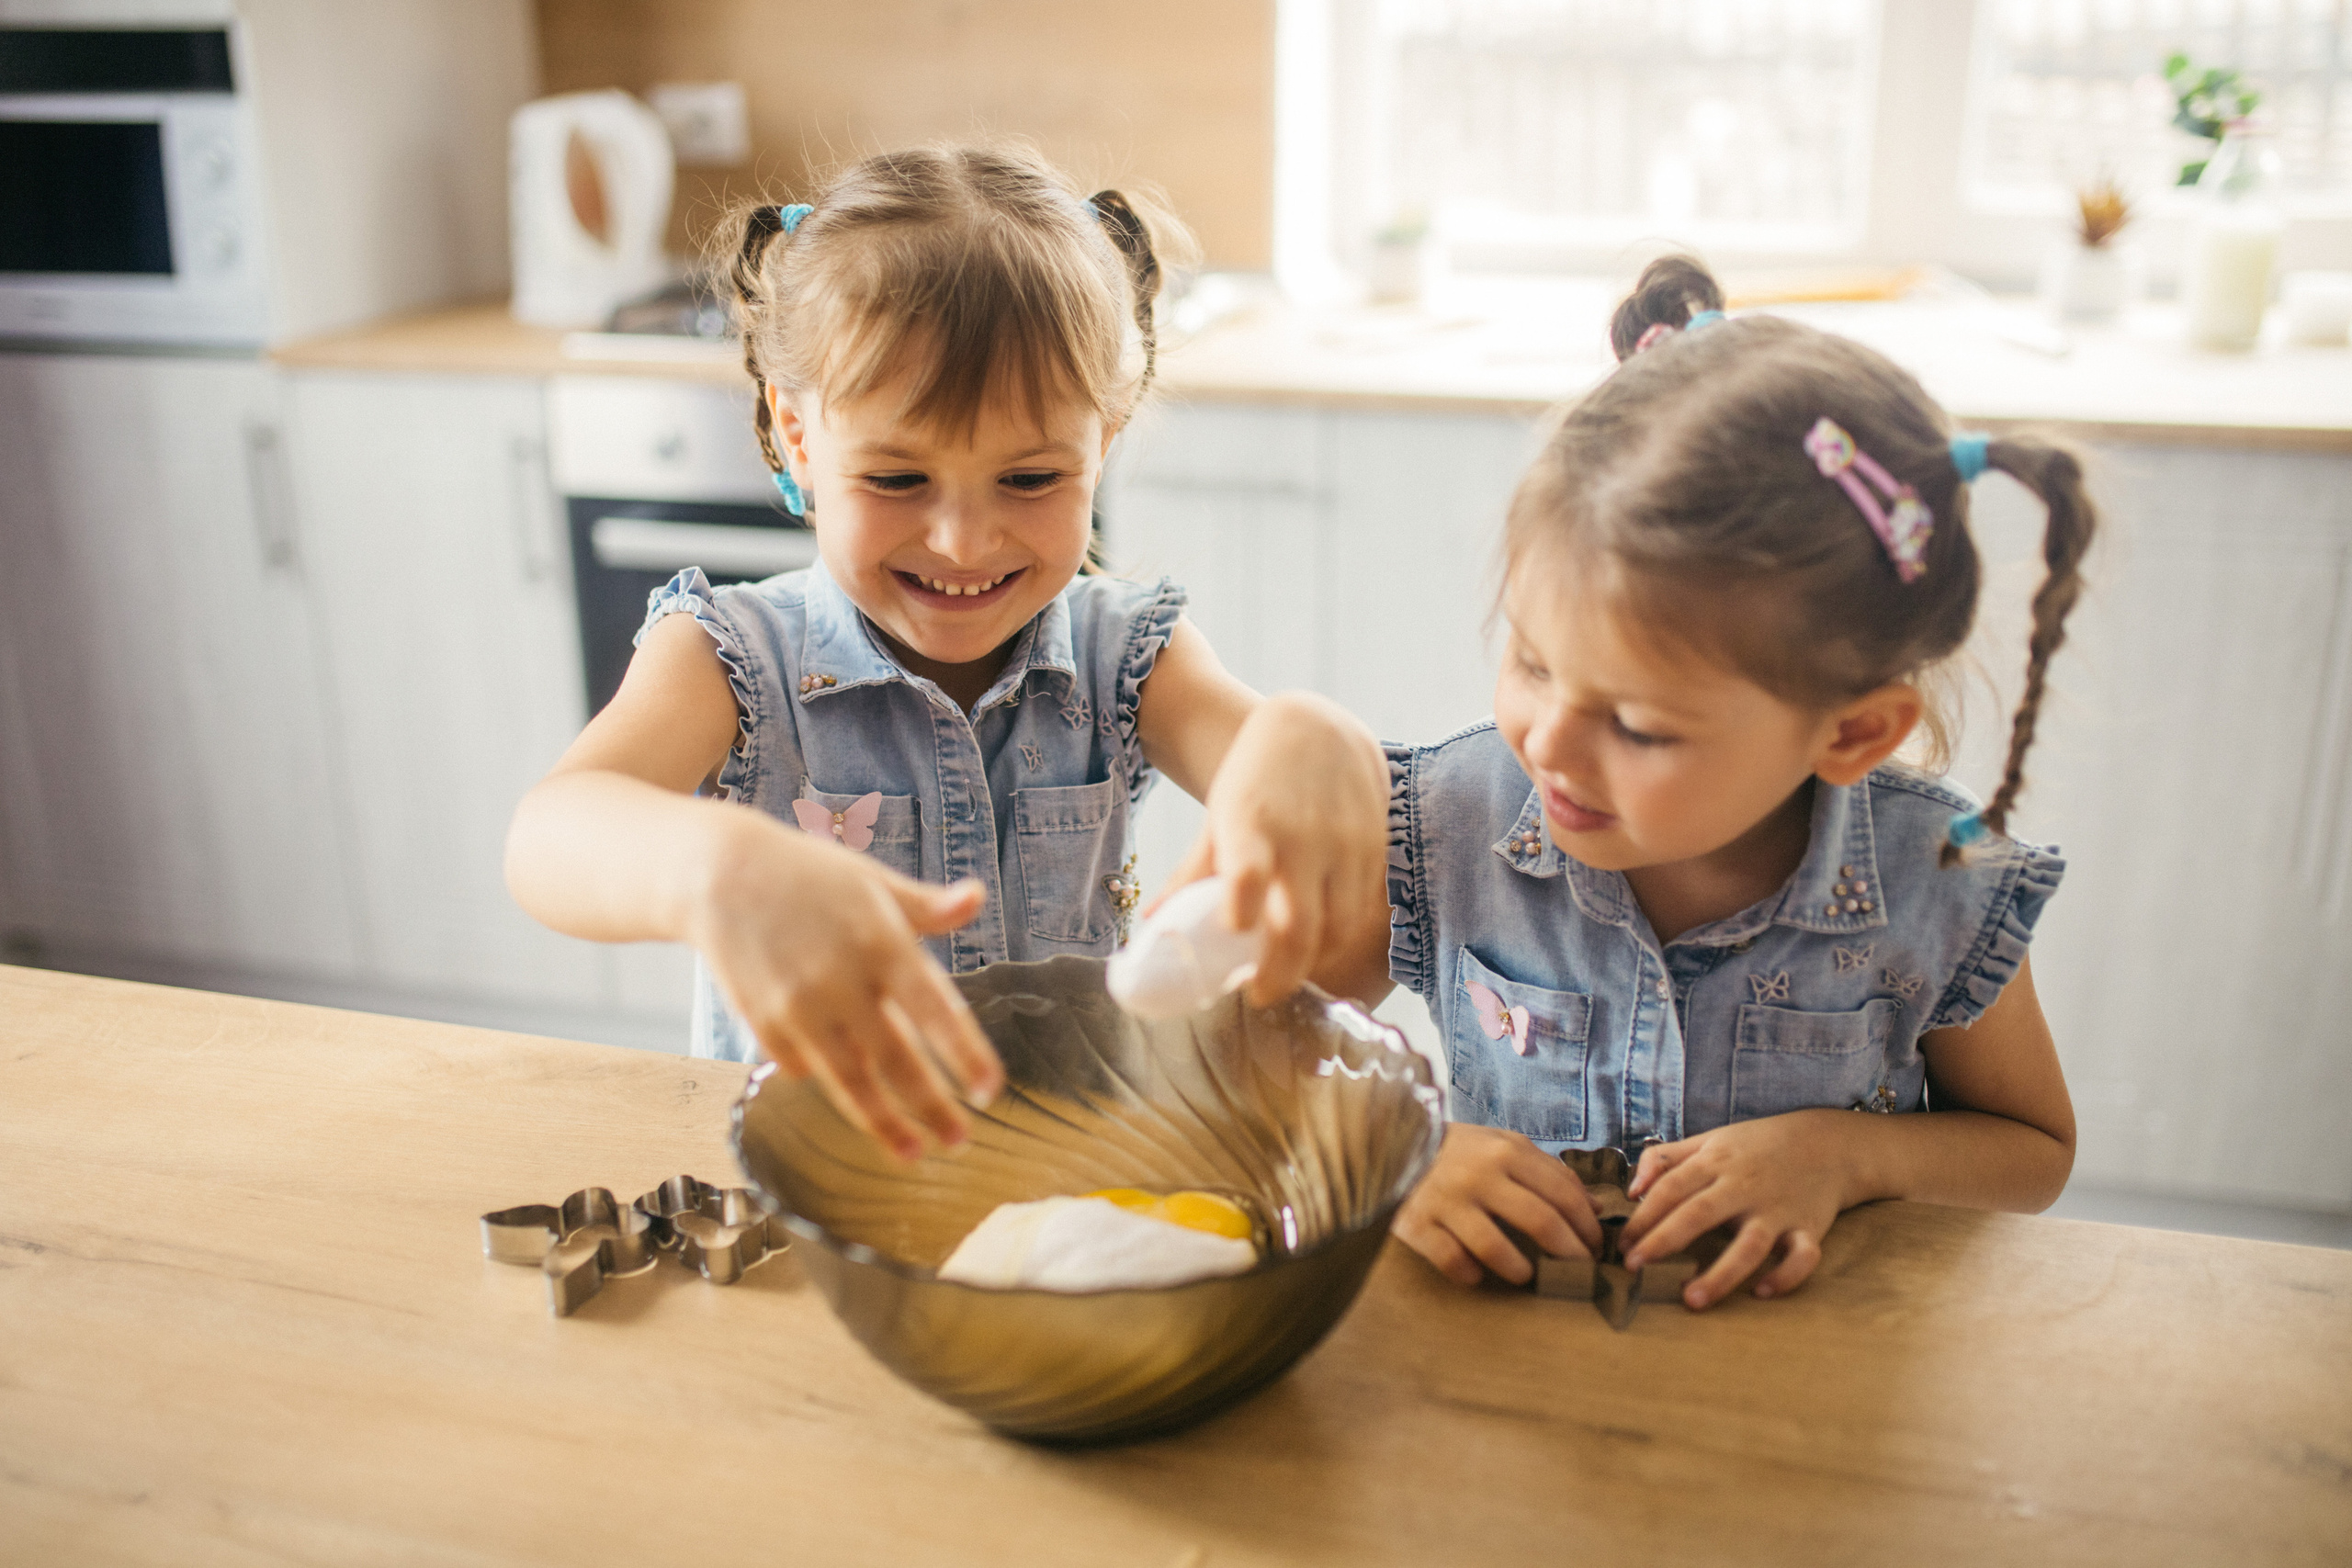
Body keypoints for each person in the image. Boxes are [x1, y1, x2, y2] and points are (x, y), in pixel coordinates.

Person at [505, 144, 1385, 1162]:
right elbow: (549, 837)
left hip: (1068, 1170)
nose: (964, 544)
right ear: (797, 436)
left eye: (1028, 480)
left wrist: (1313, 739)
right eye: (896, 480)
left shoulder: (1127, 655)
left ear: (1103, 437)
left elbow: (1292, 776)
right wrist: (711, 871)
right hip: (818, 1197)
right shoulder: (728, 658)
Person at [1329, 255, 2087, 1309]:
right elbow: (1256, 1047)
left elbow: (2033, 1152)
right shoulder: (1445, 822)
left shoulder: (1940, 878)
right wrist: (1396, 1146)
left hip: (1809, 1402)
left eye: (1638, 725)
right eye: (1532, 663)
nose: (1547, 742)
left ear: (1853, 731)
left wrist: (1844, 1156)